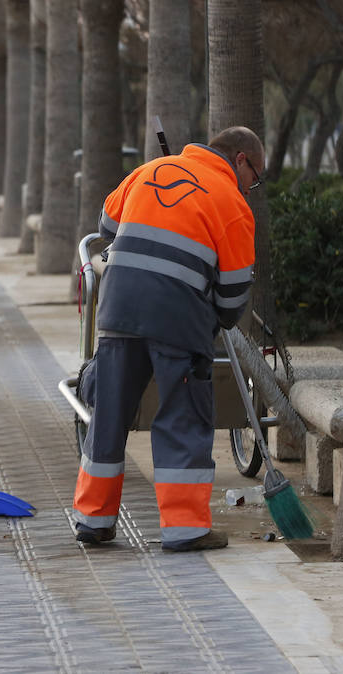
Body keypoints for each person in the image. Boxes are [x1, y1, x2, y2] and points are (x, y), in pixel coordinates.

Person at [71, 126, 263, 551]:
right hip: (177, 319)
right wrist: (218, 318)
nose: (252, 187)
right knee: (183, 416)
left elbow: (107, 222)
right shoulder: (231, 203)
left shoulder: (151, 169)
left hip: (118, 306)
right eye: (256, 176)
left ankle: (93, 521)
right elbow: (233, 294)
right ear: (241, 160)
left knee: (110, 414)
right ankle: (185, 529)